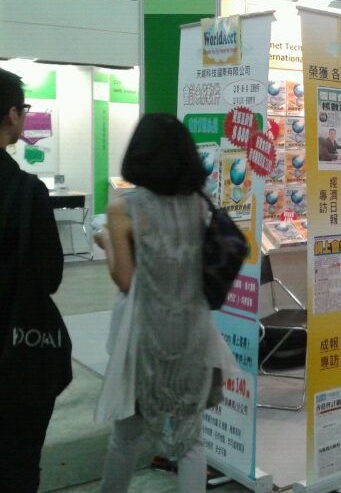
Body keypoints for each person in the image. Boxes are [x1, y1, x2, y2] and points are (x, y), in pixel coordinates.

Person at [94, 114, 237, 493]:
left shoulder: (123, 208)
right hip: (193, 334)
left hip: (143, 338)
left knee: (125, 437)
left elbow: (125, 280)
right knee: (191, 442)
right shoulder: (200, 205)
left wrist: (107, 242)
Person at [0, 68, 71, 492]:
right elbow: (49, 275)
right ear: (12, 114)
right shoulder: (24, 191)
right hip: (13, 355)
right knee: (16, 464)